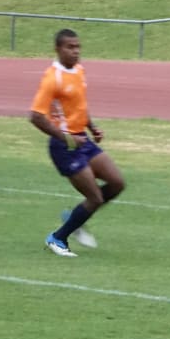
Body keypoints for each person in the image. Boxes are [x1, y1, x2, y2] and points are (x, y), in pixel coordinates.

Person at [30, 29, 126, 257]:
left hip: (82, 138)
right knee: (94, 197)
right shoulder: (53, 78)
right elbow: (36, 116)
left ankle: (76, 217)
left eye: (78, 47)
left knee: (117, 183)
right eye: (70, 47)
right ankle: (58, 238)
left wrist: (92, 127)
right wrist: (66, 137)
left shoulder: (80, 71)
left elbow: (79, 105)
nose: (75, 51)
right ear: (58, 49)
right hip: (64, 146)